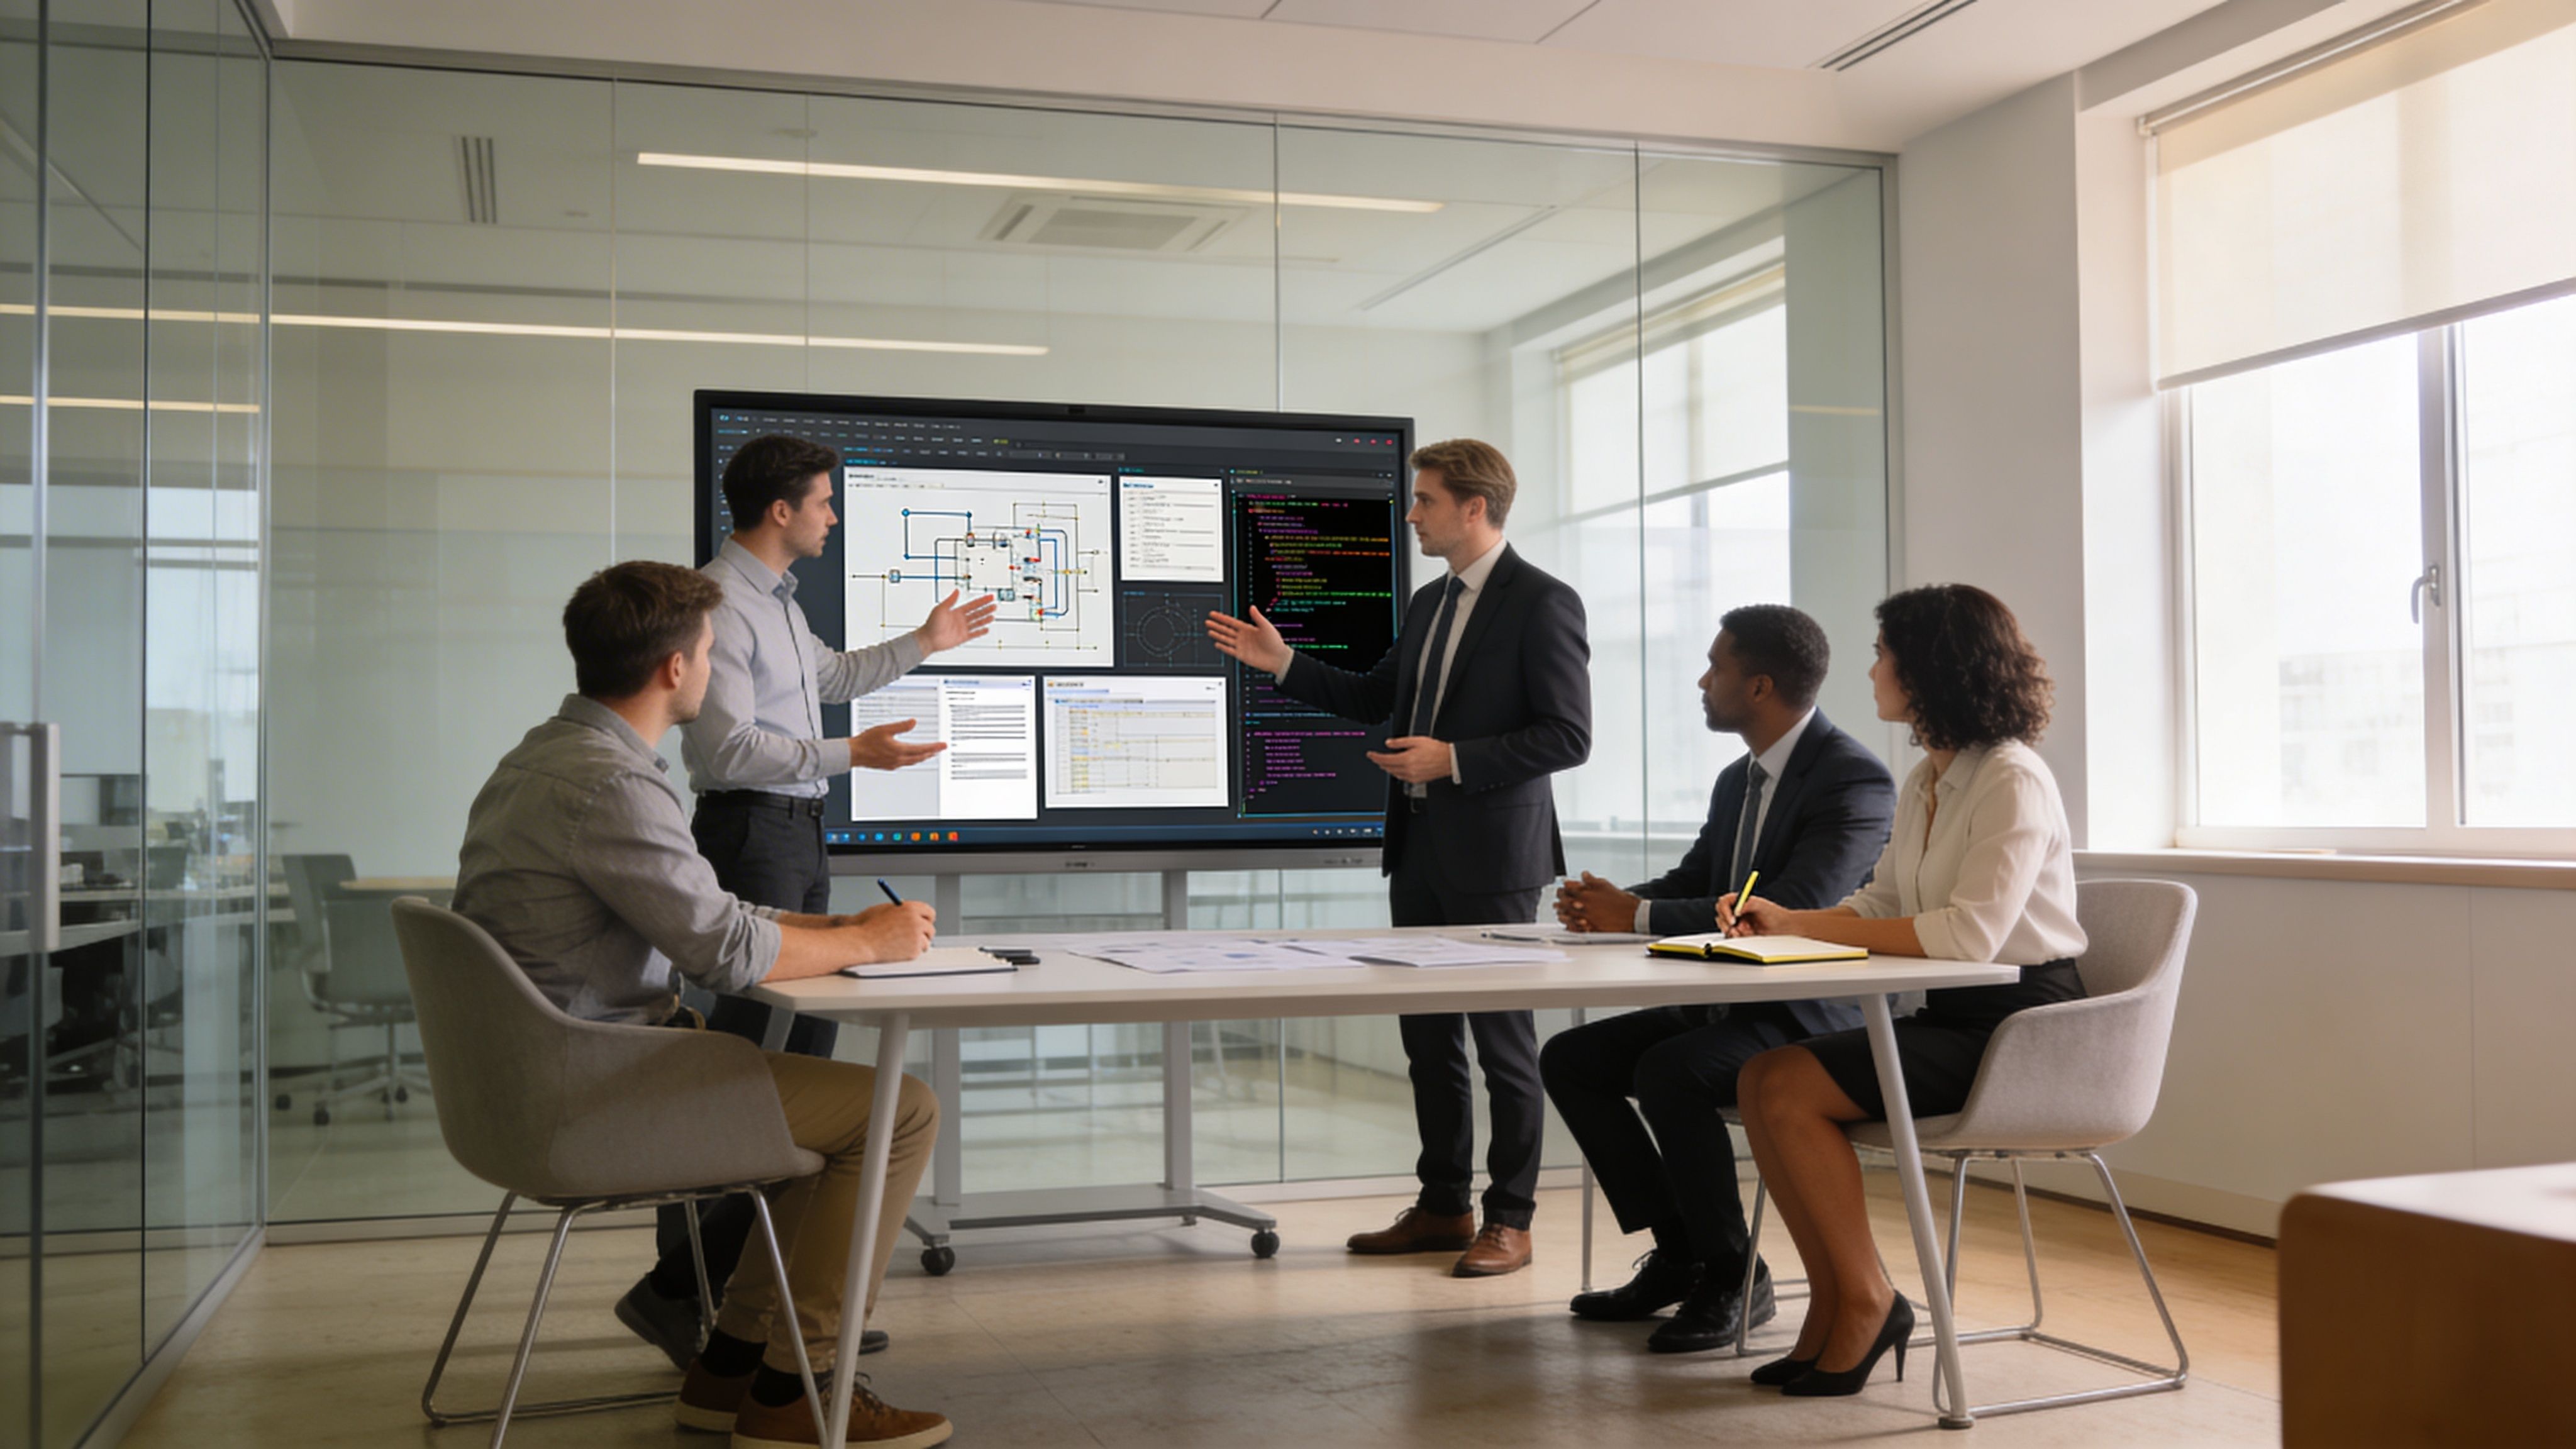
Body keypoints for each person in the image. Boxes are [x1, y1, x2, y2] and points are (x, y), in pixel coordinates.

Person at [452, 560, 953, 1448]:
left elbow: (707, 910)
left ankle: (729, 1372)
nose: (719, 671)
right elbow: (721, 953)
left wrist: (829, 924)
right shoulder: (614, 786)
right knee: (897, 1111)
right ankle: (803, 1386)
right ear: (676, 670)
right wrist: (868, 945)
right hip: (594, 1093)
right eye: (714, 654)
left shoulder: (545, 758)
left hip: (533, 1084)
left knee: (824, 1121)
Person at [618, 435, 994, 1367]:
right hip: (752, 833)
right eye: (824, 502)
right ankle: (688, 1291)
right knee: (746, 1084)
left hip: (797, 832)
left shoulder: (778, 602)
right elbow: (734, 749)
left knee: (807, 1082)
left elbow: (827, 681)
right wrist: (852, 755)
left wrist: (925, 644)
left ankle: (770, 1297)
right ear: (781, 511)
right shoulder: (716, 603)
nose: (832, 516)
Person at [1206, 438, 1589, 1278]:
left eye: (1424, 501)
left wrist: (1452, 759)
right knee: (1428, 1041)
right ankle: (1445, 1206)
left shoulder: (1543, 602)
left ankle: (1512, 1221)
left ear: (1474, 508)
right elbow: (1374, 700)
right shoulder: (1428, 603)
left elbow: (1569, 735)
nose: (1411, 514)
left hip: (1496, 858)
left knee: (1502, 1047)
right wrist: (1283, 665)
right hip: (1416, 849)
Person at [1727, 583, 2086, 1398]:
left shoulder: (2011, 778)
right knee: (1760, 1080)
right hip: (1958, 1013)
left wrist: (1807, 932)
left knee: (1783, 1084)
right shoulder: (1930, 778)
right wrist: (1787, 919)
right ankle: (1839, 1300)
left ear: (1929, 669)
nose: (1872, 670)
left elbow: (1969, 936)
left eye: (1883, 655)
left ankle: (1867, 1301)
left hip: (2023, 1031)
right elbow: (1883, 905)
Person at [1540, 604, 1893, 1352]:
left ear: (1759, 686)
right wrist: (1611, 906)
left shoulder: (1852, 779)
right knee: (1572, 1060)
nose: (1702, 681)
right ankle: (1681, 1254)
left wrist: (1634, 915)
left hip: (1816, 1013)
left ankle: (1735, 1275)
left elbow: (1792, 904)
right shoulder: (1740, 779)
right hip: (1733, 1001)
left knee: (1671, 1071)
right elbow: (1700, 880)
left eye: (1716, 667)